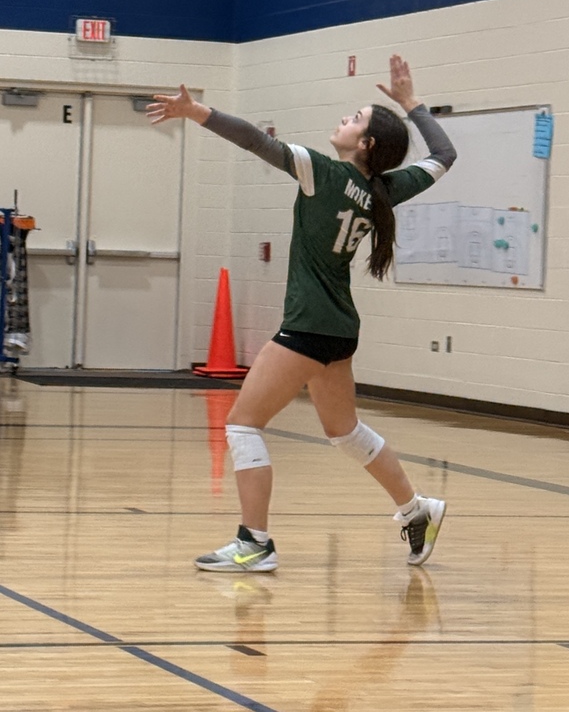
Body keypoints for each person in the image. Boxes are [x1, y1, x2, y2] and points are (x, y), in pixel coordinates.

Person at [147, 54, 457, 573]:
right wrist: (412, 104)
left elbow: (255, 140)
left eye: (355, 118)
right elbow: (445, 154)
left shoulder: (323, 172)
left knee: (243, 426)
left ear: (366, 144)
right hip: (340, 329)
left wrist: (197, 111)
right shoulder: (385, 190)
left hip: (309, 326)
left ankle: (254, 542)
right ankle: (415, 509)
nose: (344, 119)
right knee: (345, 432)